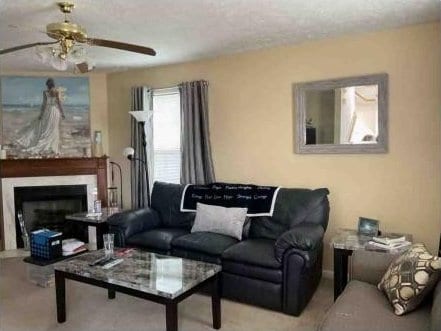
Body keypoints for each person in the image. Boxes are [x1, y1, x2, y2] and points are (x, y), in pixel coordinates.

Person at [16, 78, 66, 155]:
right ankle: (52, 147)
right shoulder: (56, 92)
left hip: (48, 111)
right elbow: (59, 104)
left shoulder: (45, 92)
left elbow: (44, 104)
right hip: (55, 112)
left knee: (46, 129)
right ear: (53, 84)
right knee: (54, 129)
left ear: (48, 85)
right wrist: (62, 113)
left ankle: (49, 146)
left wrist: (41, 114)